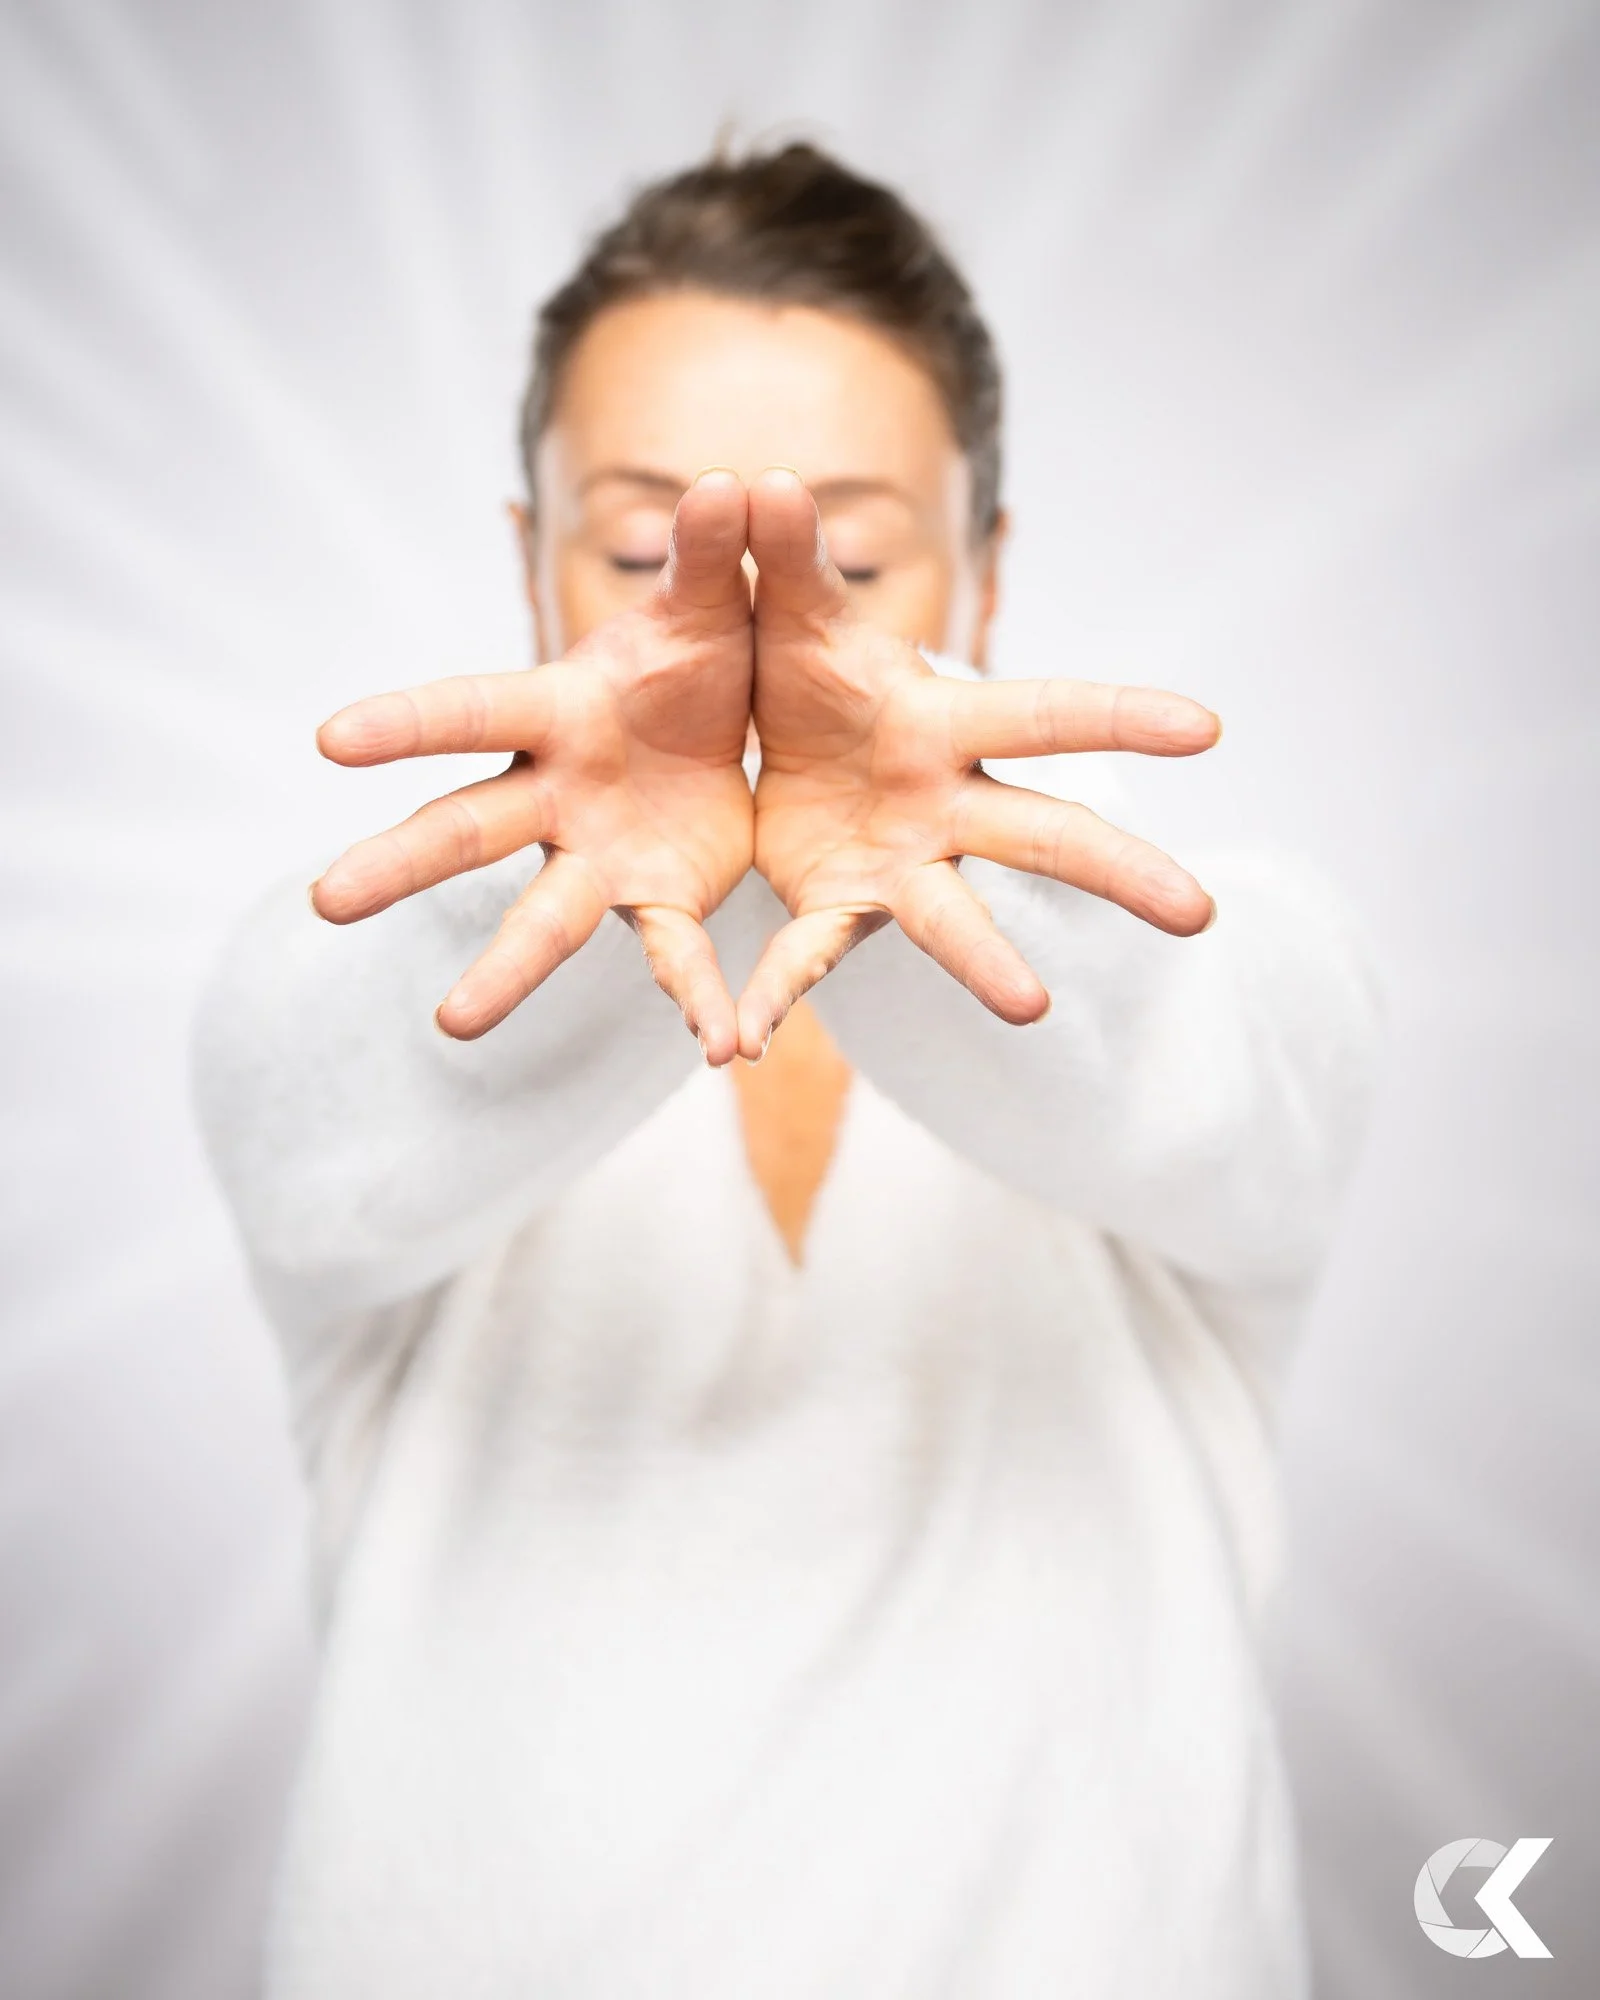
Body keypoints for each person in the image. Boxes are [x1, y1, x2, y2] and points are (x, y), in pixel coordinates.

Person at [194, 142, 1380, 1998]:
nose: (746, 627)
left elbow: (1193, 1071)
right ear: (527, 560)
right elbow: (332, 1117)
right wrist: (643, 869)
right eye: (644, 546)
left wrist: (870, 859)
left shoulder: (1222, 951)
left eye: (850, 555)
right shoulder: (350, 954)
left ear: (987, 572)